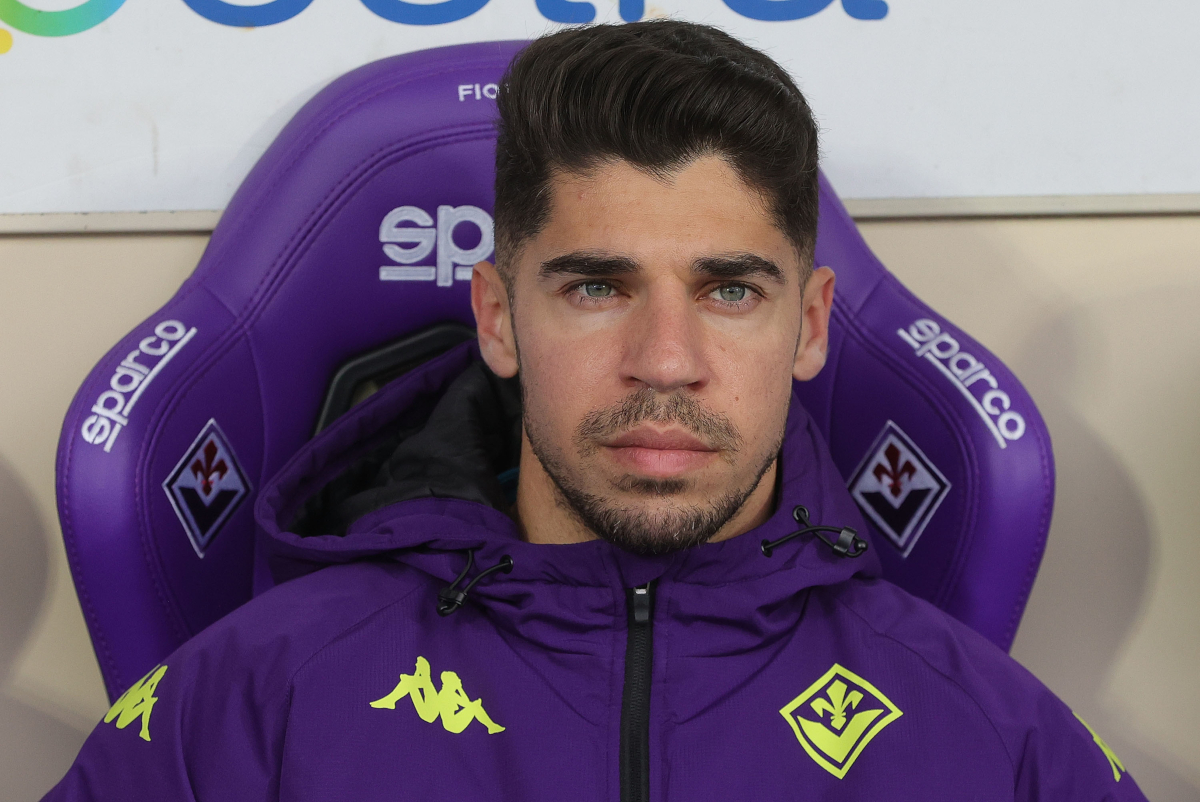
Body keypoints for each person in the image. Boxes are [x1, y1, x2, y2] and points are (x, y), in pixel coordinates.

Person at [44, 20, 1144, 802]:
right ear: (498, 317)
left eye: (728, 290)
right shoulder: (252, 698)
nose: (665, 360)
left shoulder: (991, 736)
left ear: (810, 326)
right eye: (595, 287)